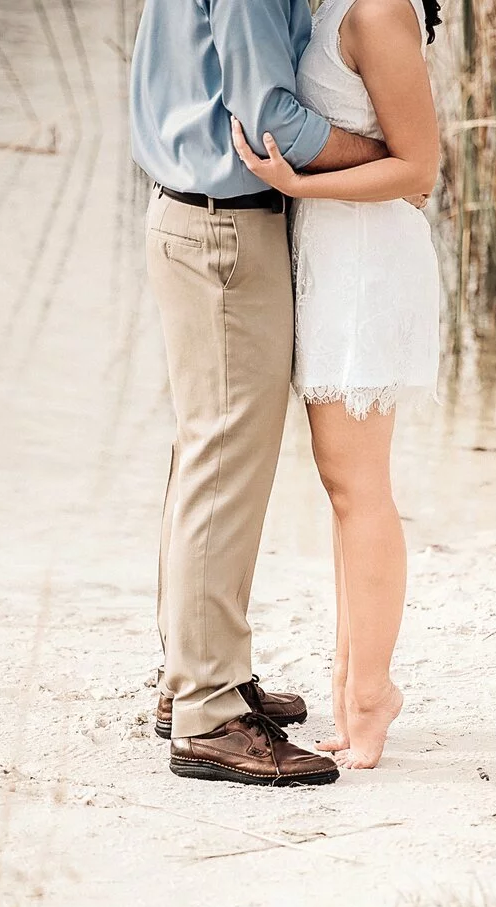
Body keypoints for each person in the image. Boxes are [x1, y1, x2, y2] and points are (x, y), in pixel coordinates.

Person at [129, 0, 400, 786]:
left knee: (205, 455)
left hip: (193, 216)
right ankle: (209, 713)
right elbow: (271, 117)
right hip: (223, 229)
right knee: (223, 463)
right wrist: (378, 152)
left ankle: (194, 676)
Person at [232, 0, 442, 769]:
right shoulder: (343, 4)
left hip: (366, 266)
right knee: (343, 486)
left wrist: (299, 186)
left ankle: (372, 692)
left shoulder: (381, 9)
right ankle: (351, 684)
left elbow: (419, 167)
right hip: (335, 258)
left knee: (360, 487)